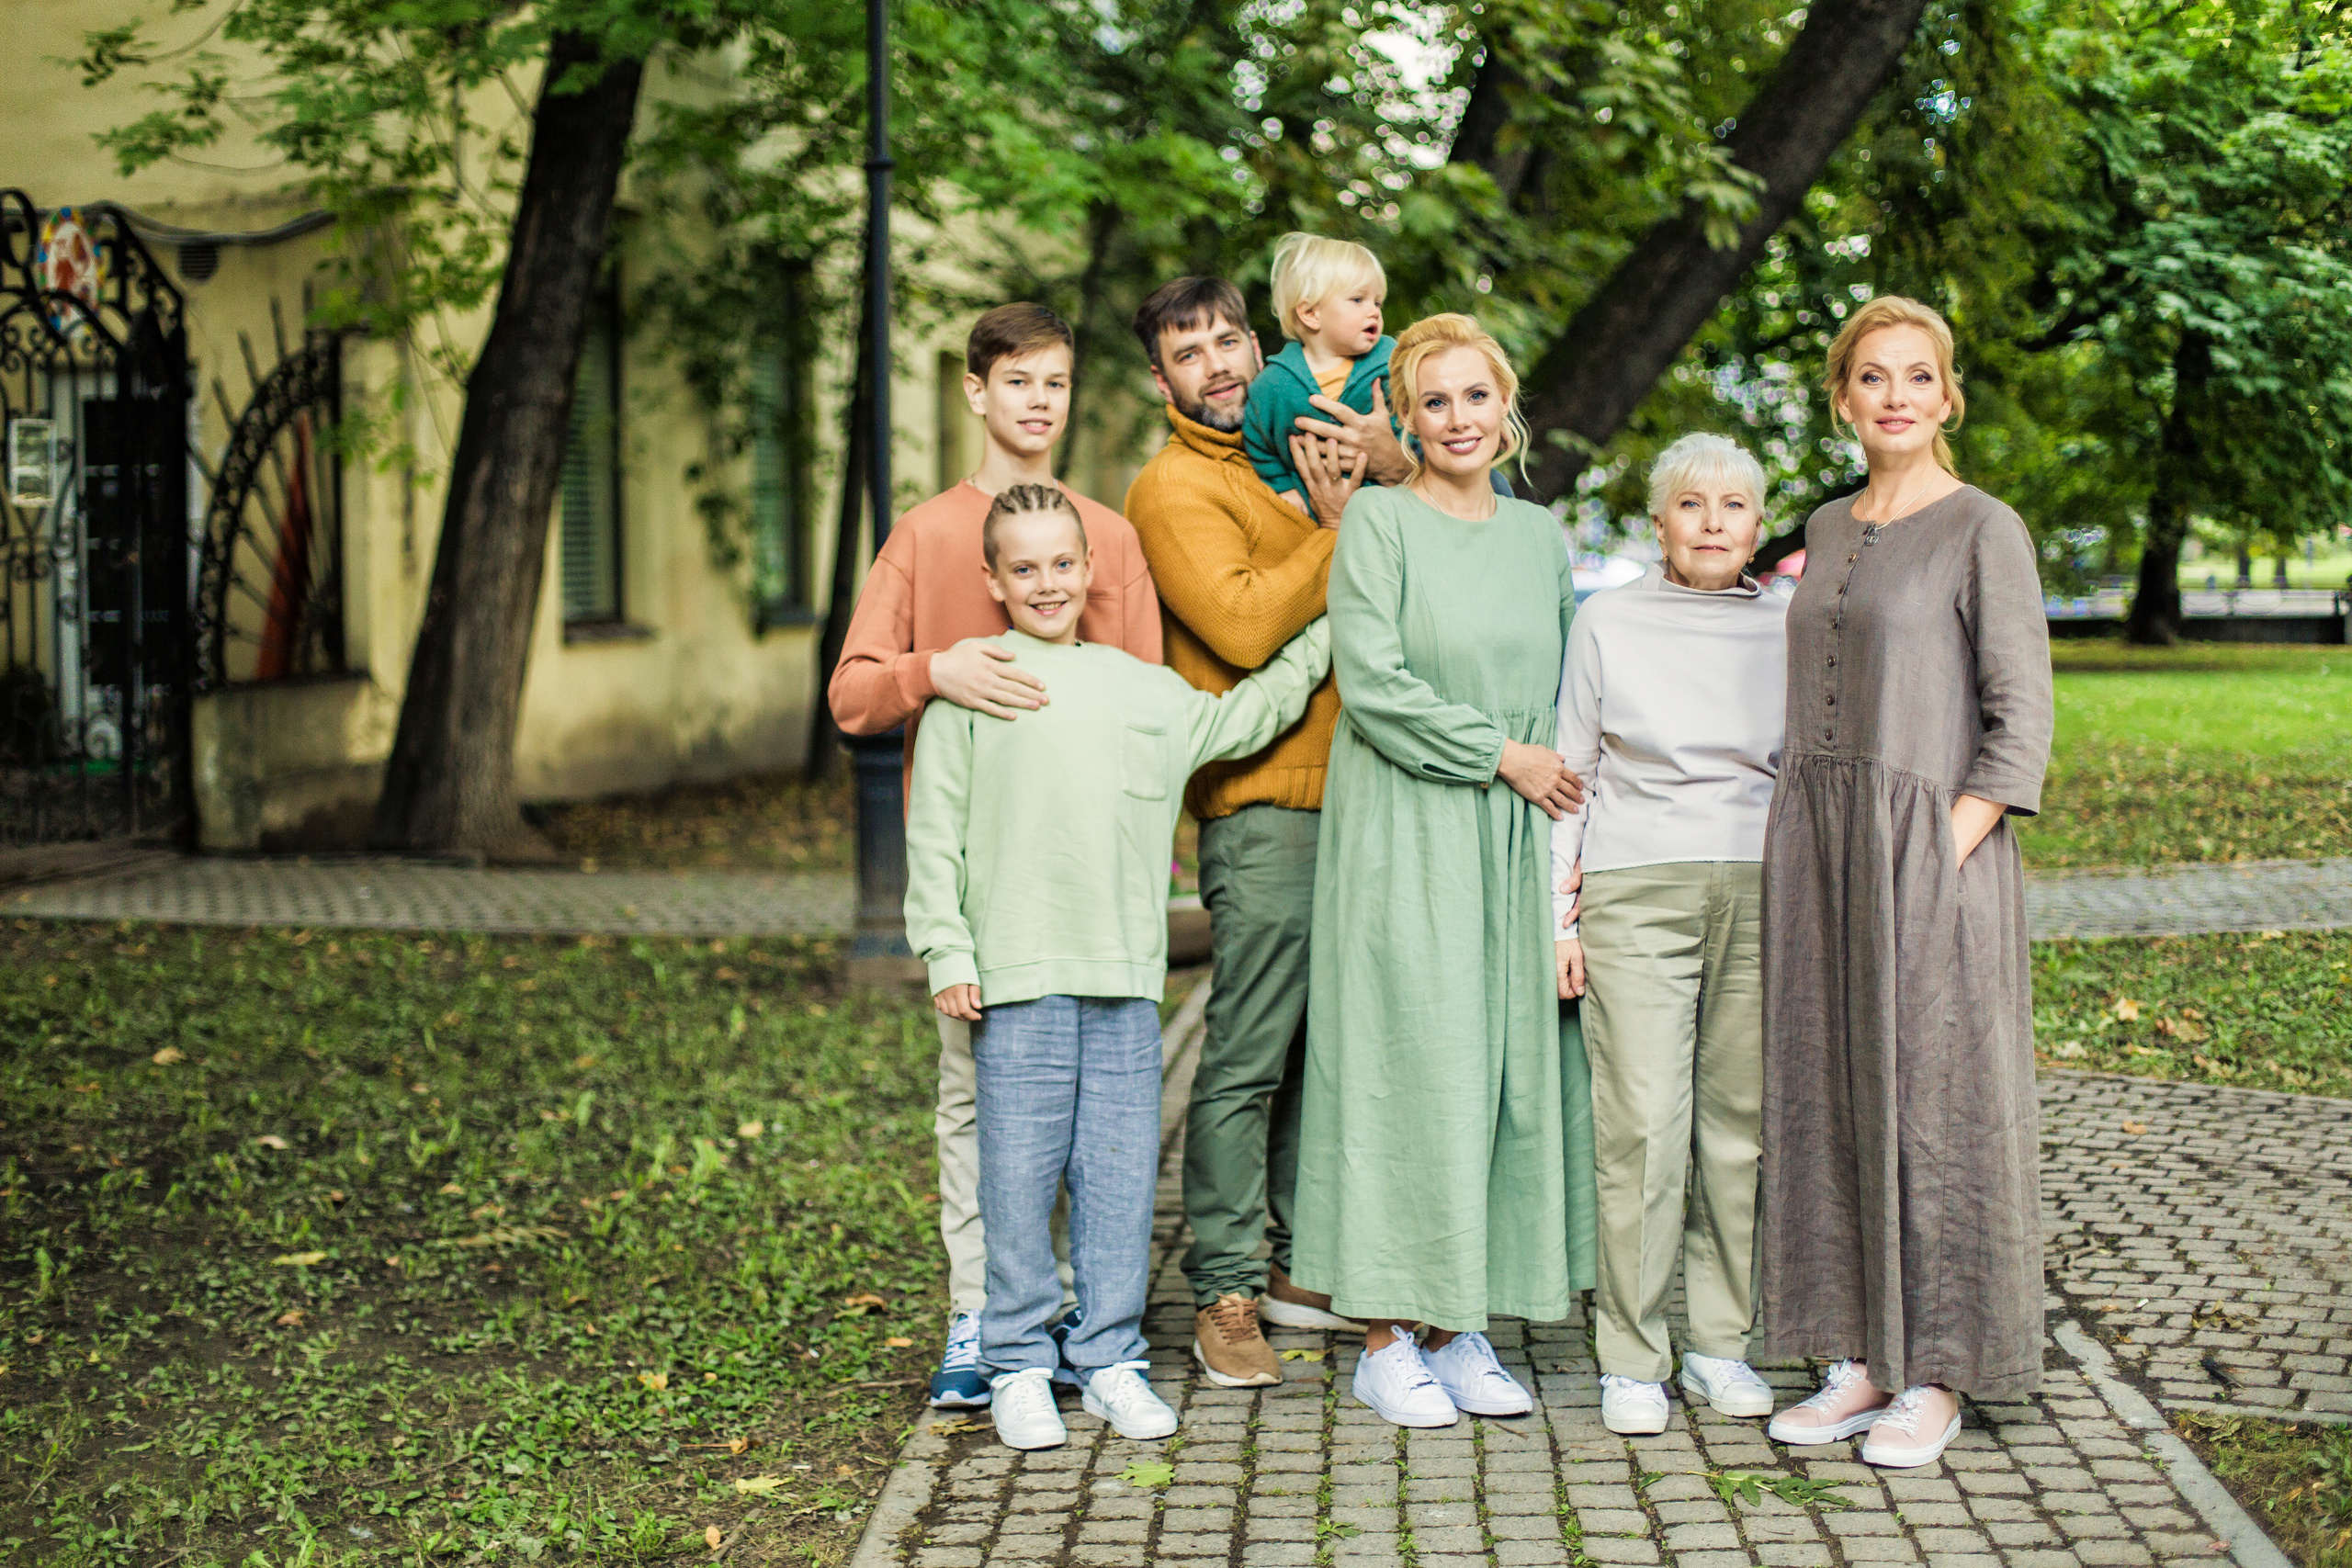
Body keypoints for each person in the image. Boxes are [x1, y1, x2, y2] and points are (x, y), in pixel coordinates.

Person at [902, 484, 1332, 1450]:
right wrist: (947, 949)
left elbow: (1253, 712)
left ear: (1090, 571)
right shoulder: (976, 685)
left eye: (1063, 563)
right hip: (1014, 974)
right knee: (1017, 1177)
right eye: (1025, 567)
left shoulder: (1145, 688)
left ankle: (1108, 1357)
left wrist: (1327, 626)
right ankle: (1018, 1360)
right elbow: (934, 839)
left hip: (1126, 978)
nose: (1047, 582)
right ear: (994, 580)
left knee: (1118, 1177)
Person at [828, 302, 1162, 1411]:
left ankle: (1080, 1319)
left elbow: (1145, 711)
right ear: (976, 391)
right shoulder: (924, 535)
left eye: (1056, 382)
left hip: (1088, 886)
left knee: (1094, 1111)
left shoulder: (1106, 538)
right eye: (1017, 380)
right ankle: (984, 1315)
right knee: (977, 1107)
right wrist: (937, 669)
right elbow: (852, 696)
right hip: (976, 885)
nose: (1037, 401)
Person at [1757, 297, 2052, 1469]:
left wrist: (1942, 846)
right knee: (1826, 1094)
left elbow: (2020, 722)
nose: (1893, 396)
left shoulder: (1986, 527)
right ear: (1842, 398)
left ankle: (1939, 1371)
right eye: (1871, 377)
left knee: (1936, 1106)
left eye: (1916, 377)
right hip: (1820, 852)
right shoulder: (1827, 527)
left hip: (1936, 858)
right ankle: (1857, 1356)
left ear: (1946, 397)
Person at [1290, 313, 1596, 1428]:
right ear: (1406, 421)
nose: (1458, 420)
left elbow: (1575, 687)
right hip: (1412, 826)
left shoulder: (1535, 534)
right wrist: (1496, 754)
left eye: (1475, 397)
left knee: (1504, 1070)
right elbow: (1370, 681)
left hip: (1518, 837)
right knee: (1409, 1063)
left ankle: (1459, 1319)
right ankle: (1382, 1336)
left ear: (1503, 406)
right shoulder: (1376, 521)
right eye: (1434, 402)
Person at [1124, 276, 1415, 1390]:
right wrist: (1338, 529)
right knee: (1246, 1055)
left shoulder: (1287, 451)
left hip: (1364, 795)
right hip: (1264, 806)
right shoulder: (1173, 488)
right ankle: (1225, 1288)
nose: (1219, 363)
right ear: (1162, 380)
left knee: (1316, 1050)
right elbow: (1244, 623)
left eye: (1229, 339)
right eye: (1188, 351)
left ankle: (1295, 1267)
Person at [1549, 433, 1788, 1436]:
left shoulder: (1787, 624)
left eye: (1732, 506)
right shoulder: (1607, 620)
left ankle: (1720, 1345)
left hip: (1760, 885)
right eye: (1691, 506)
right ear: (1659, 524)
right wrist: (1554, 920)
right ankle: (1633, 1356)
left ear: (1758, 526)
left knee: (1737, 1130)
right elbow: (1571, 773)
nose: (1712, 523)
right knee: (1643, 1124)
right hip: (1633, 883)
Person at [1241, 233, 1396, 513]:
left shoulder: (1393, 364)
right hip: (1310, 521)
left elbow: (1417, 425)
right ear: (1311, 313)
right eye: (1358, 299)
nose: (1374, 311)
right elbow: (1257, 440)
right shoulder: (1274, 384)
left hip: (1387, 514)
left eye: (1378, 302)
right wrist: (1284, 490)